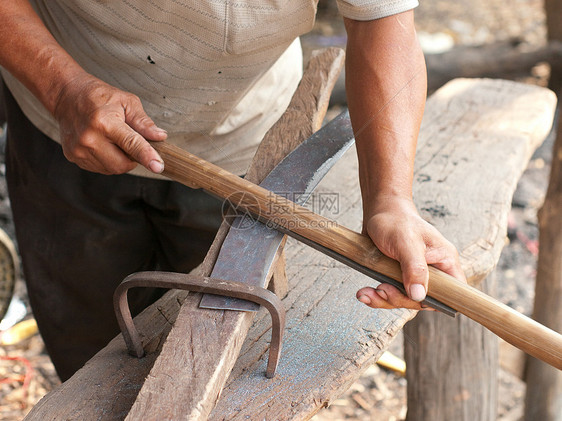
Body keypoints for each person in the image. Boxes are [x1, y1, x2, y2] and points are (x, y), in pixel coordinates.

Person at [0, 0, 466, 381]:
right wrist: (61, 89)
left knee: (220, 355)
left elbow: (381, 22)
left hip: (244, 141)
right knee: (90, 362)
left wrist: (390, 199)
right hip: (63, 125)